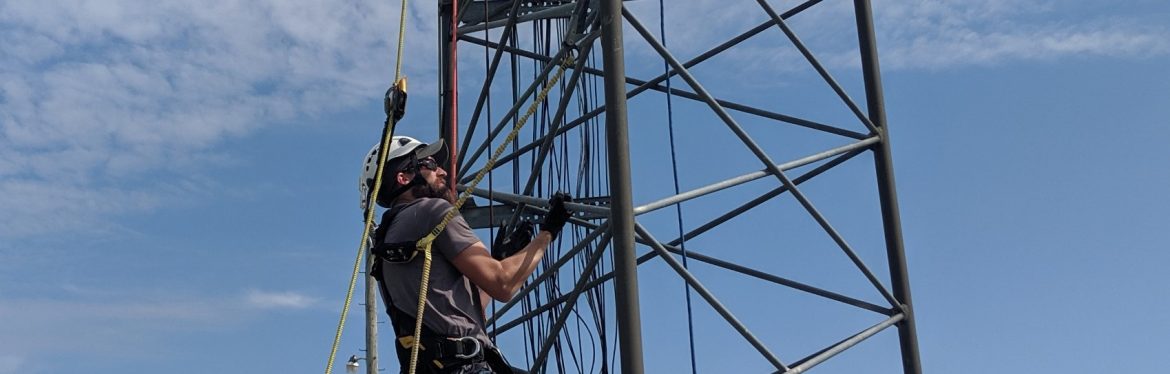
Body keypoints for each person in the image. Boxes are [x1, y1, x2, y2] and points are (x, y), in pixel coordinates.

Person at [359, 136, 572, 374]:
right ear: (403, 177)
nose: (442, 172)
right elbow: (504, 284)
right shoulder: (433, 211)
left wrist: (499, 261)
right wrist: (548, 232)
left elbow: (456, 309)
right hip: (463, 366)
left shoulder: (388, 236)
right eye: (429, 164)